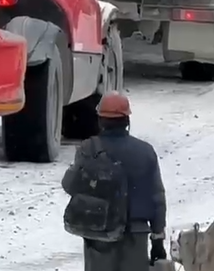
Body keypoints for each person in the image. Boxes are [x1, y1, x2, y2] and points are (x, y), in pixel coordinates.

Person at [62, 92, 167, 271]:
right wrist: (157, 239)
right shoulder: (145, 152)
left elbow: (69, 185)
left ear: (100, 120)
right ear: (127, 120)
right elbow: (157, 198)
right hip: (136, 235)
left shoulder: (89, 150)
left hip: (100, 233)